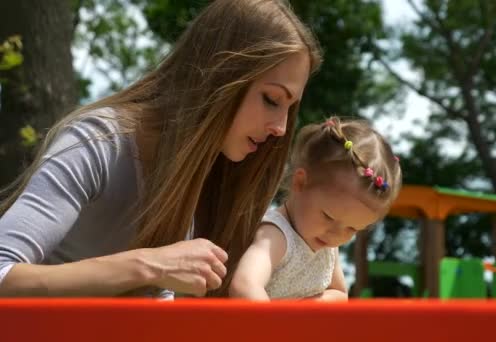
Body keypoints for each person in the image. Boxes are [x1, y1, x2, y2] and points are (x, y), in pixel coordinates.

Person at [0, 0, 322, 298]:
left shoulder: (210, 174)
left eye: (289, 109)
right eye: (271, 100)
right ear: (221, 76)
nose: (280, 128)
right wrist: (148, 266)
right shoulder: (98, 142)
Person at [229, 117, 402, 300]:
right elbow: (244, 286)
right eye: (328, 216)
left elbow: (339, 294)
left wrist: (306, 309)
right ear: (300, 182)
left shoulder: (326, 244)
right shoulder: (276, 236)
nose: (336, 234)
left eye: (352, 229)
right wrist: (278, 325)